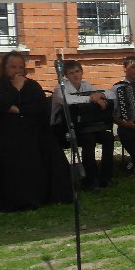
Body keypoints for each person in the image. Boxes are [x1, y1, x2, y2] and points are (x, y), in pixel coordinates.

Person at [0, 51, 72, 210]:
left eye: (20, 67)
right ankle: (21, 198)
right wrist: (16, 89)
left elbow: (40, 108)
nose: (17, 71)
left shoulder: (32, 85)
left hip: (32, 129)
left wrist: (17, 110)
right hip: (4, 132)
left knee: (51, 147)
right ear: (4, 68)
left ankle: (53, 195)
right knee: (17, 148)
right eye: (13, 67)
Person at [50, 60, 114, 190]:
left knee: (108, 138)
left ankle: (106, 177)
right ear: (66, 75)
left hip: (85, 126)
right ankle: (89, 180)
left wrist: (101, 95)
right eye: (71, 73)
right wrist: (91, 98)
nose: (75, 75)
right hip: (63, 128)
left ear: (82, 72)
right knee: (88, 139)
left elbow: (111, 94)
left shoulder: (86, 85)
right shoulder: (60, 88)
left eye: (77, 71)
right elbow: (68, 100)